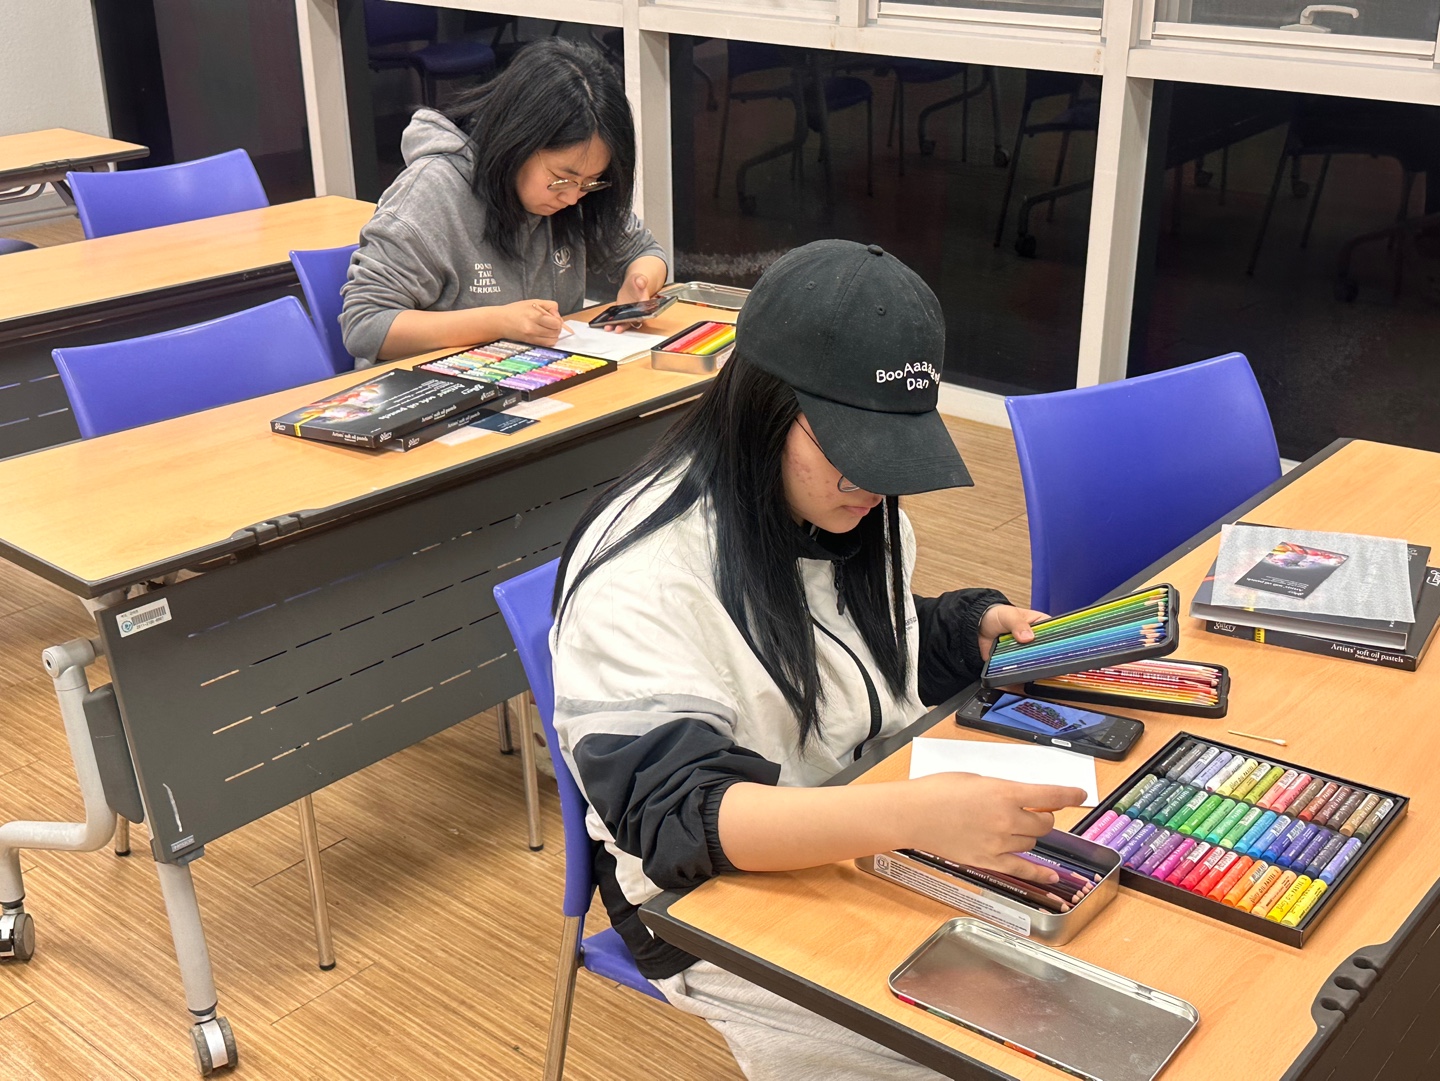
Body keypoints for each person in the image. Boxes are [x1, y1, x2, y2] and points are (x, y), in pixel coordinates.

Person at [549, 239, 1087, 1081]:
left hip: (861, 822)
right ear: (763, 405)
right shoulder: (643, 576)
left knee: (1084, 977)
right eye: (852, 446)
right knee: (1003, 1046)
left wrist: (964, 631)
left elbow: (843, 646)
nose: (874, 484)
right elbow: (682, 821)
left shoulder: (838, 508)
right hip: (709, 901)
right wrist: (910, 817)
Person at [340, 37, 667, 366]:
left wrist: (639, 283)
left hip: (534, 375)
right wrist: (498, 324)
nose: (572, 197)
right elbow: (366, 325)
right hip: (430, 387)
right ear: (517, 141)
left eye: (591, 181)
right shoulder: (432, 194)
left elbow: (644, 251)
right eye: (561, 178)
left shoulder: (577, 196)